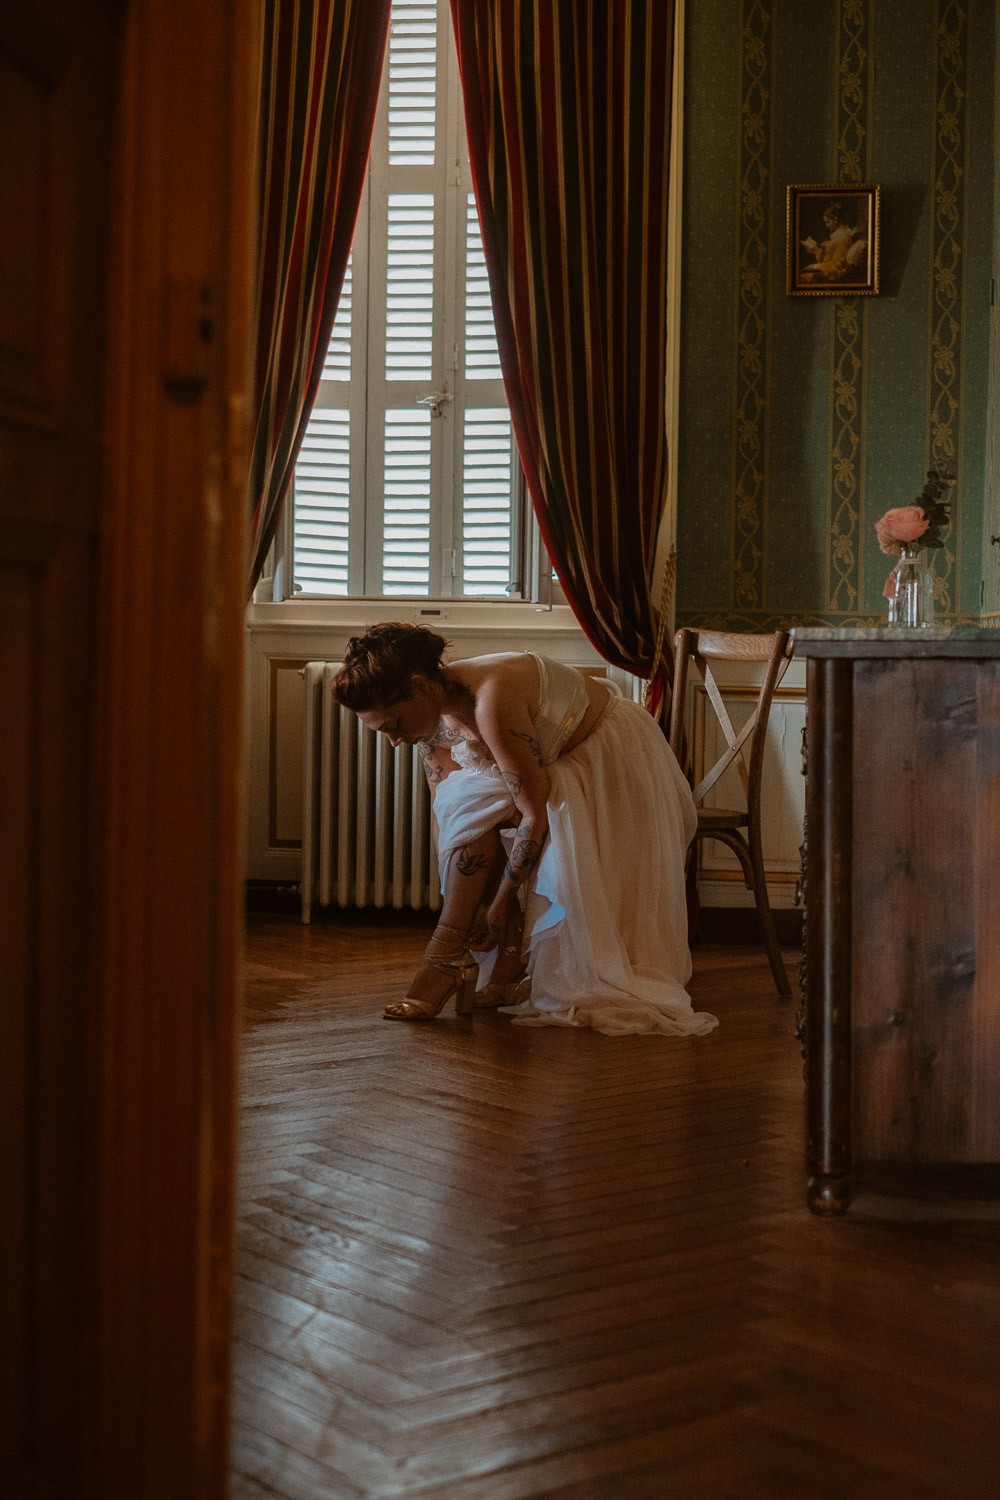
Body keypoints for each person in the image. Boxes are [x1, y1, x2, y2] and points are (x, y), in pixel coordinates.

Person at [332, 622, 718, 1038]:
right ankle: (483, 956)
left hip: (606, 753)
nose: (393, 742)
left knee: (491, 803)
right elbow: (446, 818)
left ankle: (445, 958)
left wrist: (497, 904)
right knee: (463, 803)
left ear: (420, 686)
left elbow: (535, 815)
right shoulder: (431, 727)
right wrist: (464, 902)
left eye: (392, 726)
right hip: (543, 765)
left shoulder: (489, 702)